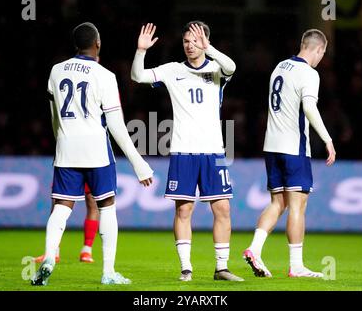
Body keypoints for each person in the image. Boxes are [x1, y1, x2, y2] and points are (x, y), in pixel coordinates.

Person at [31, 22, 153, 286]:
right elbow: (117, 126)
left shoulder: (55, 70)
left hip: (66, 146)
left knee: (62, 207)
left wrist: (60, 140)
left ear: (76, 44)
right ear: (97, 44)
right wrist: (138, 163)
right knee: (106, 206)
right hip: (97, 149)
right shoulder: (105, 75)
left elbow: (54, 118)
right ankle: (108, 273)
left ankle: (50, 257)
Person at [131, 22, 243, 282]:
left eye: (195, 40)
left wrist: (210, 48)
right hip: (183, 151)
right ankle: (186, 268)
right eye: (186, 41)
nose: (190, 45)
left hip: (214, 151)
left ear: (205, 40)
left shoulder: (216, 69)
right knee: (183, 210)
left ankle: (222, 268)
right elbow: (138, 76)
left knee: (223, 209)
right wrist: (140, 51)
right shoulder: (173, 70)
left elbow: (232, 67)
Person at [242, 29, 336, 278]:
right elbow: (309, 107)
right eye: (322, 54)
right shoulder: (309, 73)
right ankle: (296, 265)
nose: (320, 59)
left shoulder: (280, 67)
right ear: (317, 49)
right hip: (294, 147)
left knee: (278, 202)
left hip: (271, 145)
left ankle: (254, 248)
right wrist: (327, 139)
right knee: (298, 205)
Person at [33, 184, 99, 264]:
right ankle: (53, 252)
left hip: (90, 171)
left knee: (92, 202)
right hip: (68, 171)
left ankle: (87, 251)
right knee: (57, 203)